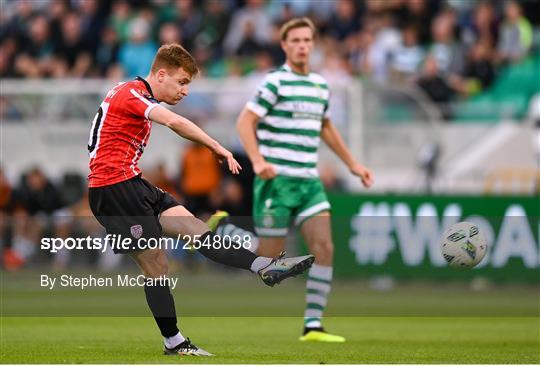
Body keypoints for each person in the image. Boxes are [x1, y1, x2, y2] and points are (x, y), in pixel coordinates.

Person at [87, 43, 314, 356]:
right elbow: (175, 122)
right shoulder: (132, 94)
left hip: (133, 182)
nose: (185, 91)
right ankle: (175, 343)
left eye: (188, 85)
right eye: (181, 82)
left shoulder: (128, 91)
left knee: (197, 230)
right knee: (157, 266)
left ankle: (265, 266)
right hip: (113, 188)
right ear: (161, 74)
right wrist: (216, 146)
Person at [235, 18, 373, 343]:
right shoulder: (275, 83)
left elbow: (326, 127)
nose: (301, 45)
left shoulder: (319, 85)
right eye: (295, 40)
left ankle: (313, 325)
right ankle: (225, 231)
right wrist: (257, 160)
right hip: (276, 182)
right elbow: (245, 121)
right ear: (284, 45)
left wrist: (353, 163)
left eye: (307, 40)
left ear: (313, 44)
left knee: (324, 247)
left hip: (308, 182)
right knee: (269, 266)